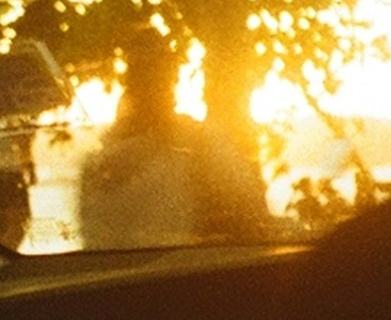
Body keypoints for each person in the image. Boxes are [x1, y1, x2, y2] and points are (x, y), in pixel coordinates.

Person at [75, 33, 271, 248]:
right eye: (146, 76)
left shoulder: (203, 144)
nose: (155, 88)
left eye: (158, 77)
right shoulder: (105, 161)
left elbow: (249, 215)